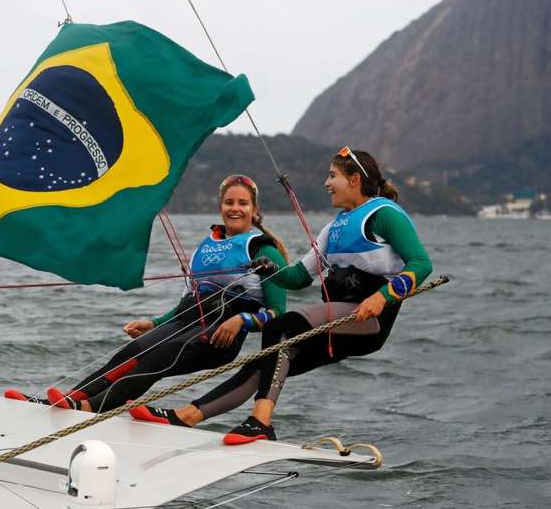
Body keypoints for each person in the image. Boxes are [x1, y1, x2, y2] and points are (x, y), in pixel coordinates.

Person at [130, 147, 433, 444]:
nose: (327, 183)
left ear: (354, 179)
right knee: (264, 361)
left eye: (332, 176)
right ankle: (188, 415)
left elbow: (421, 264)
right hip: (336, 321)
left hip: (370, 321)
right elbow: (298, 278)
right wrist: (266, 267)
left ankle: (260, 422)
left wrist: (382, 297)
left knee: (280, 327)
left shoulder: (384, 214)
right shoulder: (333, 228)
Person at [6, 175, 290, 413]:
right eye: (229, 202)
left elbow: (278, 313)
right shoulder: (206, 249)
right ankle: (66, 402)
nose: (235, 208)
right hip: (188, 320)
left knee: (157, 358)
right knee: (132, 351)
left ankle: (87, 409)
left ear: (254, 210)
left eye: (243, 203)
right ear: (220, 207)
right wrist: (155, 323)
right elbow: (186, 303)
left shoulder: (264, 250)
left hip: (220, 337)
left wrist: (243, 320)